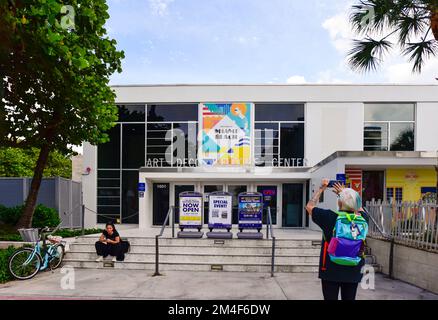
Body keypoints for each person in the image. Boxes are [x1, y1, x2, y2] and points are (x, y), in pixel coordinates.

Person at [305, 179, 369, 301]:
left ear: (339, 204)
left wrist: (321, 189)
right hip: (354, 269)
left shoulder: (329, 217)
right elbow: (359, 208)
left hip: (330, 270)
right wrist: (344, 192)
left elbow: (309, 206)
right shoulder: (363, 220)